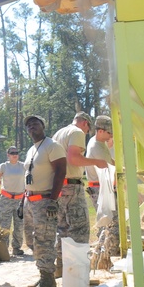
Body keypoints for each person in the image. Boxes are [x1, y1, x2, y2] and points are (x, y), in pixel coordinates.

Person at [52, 111, 109, 275]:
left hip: (58, 186)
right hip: (71, 185)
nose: (86, 133)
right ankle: (79, 271)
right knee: (80, 229)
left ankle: (60, 267)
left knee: (61, 229)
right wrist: (97, 162)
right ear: (85, 123)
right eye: (88, 129)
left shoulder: (59, 133)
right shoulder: (76, 132)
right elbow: (74, 159)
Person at [21, 115, 66, 287]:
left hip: (45, 201)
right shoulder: (32, 149)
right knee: (32, 240)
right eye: (29, 125)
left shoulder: (52, 146)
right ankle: (43, 275)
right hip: (30, 201)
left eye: (35, 123)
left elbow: (61, 171)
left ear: (43, 126)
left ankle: (48, 281)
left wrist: (54, 200)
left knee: (45, 239)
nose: (32, 126)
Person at [85, 115, 118, 233]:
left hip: (101, 186)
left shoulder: (99, 141)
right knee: (111, 224)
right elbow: (109, 169)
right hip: (101, 188)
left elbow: (110, 160)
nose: (112, 135)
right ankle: (108, 250)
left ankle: (102, 248)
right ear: (100, 131)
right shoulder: (96, 147)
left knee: (106, 224)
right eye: (110, 133)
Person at [0, 146, 26, 257]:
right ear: (8, 155)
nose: (14, 154)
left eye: (16, 152)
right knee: (4, 225)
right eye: (12, 153)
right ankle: (4, 249)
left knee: (19, 225)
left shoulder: (23, 166)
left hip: (20, 200)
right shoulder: (3, 166)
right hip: (6, 199)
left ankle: (16, 248)